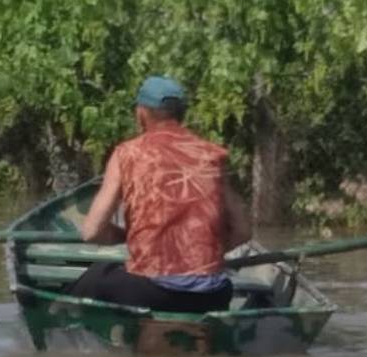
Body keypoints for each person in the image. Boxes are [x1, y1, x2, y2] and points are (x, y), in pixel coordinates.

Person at [70, 76, 250, 313]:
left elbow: (91, 232)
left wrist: (126, 237)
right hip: (213, 295)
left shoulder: (128, 154)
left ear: (141, 113)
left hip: (150, 293)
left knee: (98, 274)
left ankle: (60, 324)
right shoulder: (213, 156)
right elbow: (244, 231)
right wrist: (203, 256)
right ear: (181, 113)